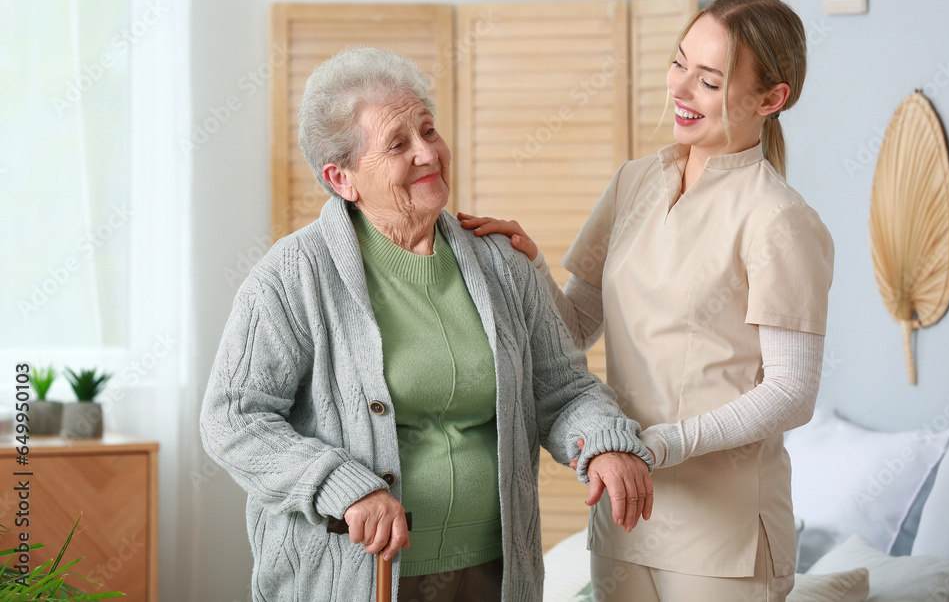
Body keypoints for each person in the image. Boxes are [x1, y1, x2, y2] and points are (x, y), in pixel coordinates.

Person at [199, 46, 655, 602]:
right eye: (398, 143)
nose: (427, 153)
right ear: (342, 178)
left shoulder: (501, 264)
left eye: (429, 129)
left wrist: (604, 442)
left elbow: (562, 388)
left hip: (495, 567)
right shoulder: (293, 277)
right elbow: (234, 418)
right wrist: (342, 488)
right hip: (357, 572)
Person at [460, 0, 835, 600]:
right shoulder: (635, 181)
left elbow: (792, 392)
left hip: (725, 538)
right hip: (626, 512)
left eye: (709, 81)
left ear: (772, 99)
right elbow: (577, 324)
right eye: (679, 62)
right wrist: (525, 268)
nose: (681, 90)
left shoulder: (778, 220)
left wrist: (662, 444)